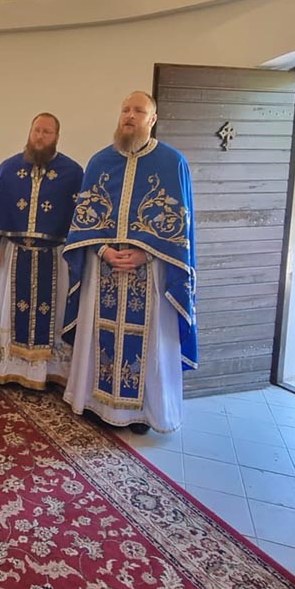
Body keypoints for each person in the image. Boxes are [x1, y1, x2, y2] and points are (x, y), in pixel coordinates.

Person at [61, 91, 197, 435]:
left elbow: (180, 227)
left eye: (139, 110)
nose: (130, 116)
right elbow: (84, 219)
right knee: (98, 334)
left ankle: (144, 413)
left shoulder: (172, 162)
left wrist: (146, 253)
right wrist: (104, 249)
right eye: (125, 110)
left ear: (152, 119)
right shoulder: (99, 162)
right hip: (103, 267)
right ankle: (98, 405)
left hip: (151, 270)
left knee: (150, 339)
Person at [0, 112, 83, 389]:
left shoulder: (73, 173)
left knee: (52, 313)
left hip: (54, 256)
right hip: (15, 255)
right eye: (36, 130)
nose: (40, 137)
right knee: (10, 310)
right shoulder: (9, 168)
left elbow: (80, 217)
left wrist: (75, 255)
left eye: (46, 132)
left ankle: (48, 372)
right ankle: (8, 367)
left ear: (57, 137)